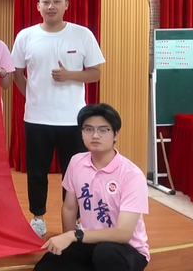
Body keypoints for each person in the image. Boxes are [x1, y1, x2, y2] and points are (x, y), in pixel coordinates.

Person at [11, 0, 105, 237]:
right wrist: (32, 95)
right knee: (36, 172)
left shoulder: (82, 34)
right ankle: (38, 217)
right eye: (46, 1)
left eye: (56, 1)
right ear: (38, 6)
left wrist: (70, 75)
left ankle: (75, 219)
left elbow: (95, 73)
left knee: (74, 173)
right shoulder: (26, 36)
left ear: (66, 5)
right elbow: (16, 72)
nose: (51, 6)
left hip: (72, 119)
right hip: (36, 118)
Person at [34, 103, 149, 271]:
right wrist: (69, 242)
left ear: (116, 134)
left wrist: (74, 235)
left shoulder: (132, 175)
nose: (95, 135)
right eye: (88, 129)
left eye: (103, 130)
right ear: (81, 133)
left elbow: (123, 233)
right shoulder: (76, 162)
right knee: (47, 265)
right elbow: (69, 208)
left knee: (106, 254)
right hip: (89, 241)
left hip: (127, 249)